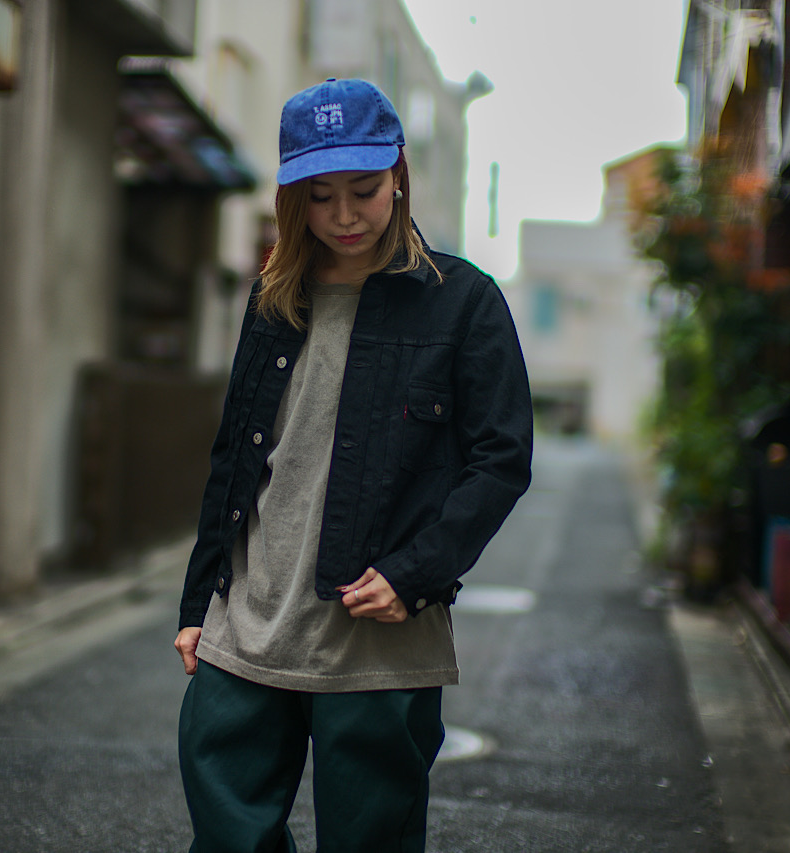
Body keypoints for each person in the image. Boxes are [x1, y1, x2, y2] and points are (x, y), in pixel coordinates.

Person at [174, 77, 533, 853]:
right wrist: (199, 600)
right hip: (248, 624)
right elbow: (234, 456)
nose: (343, 215)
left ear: (398, 173)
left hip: (379, 638)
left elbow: (501, 460)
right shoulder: (274, 299)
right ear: (292, 199)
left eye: (363, 190)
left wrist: (417, 573)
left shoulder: (462, 301)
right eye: (320, 195)